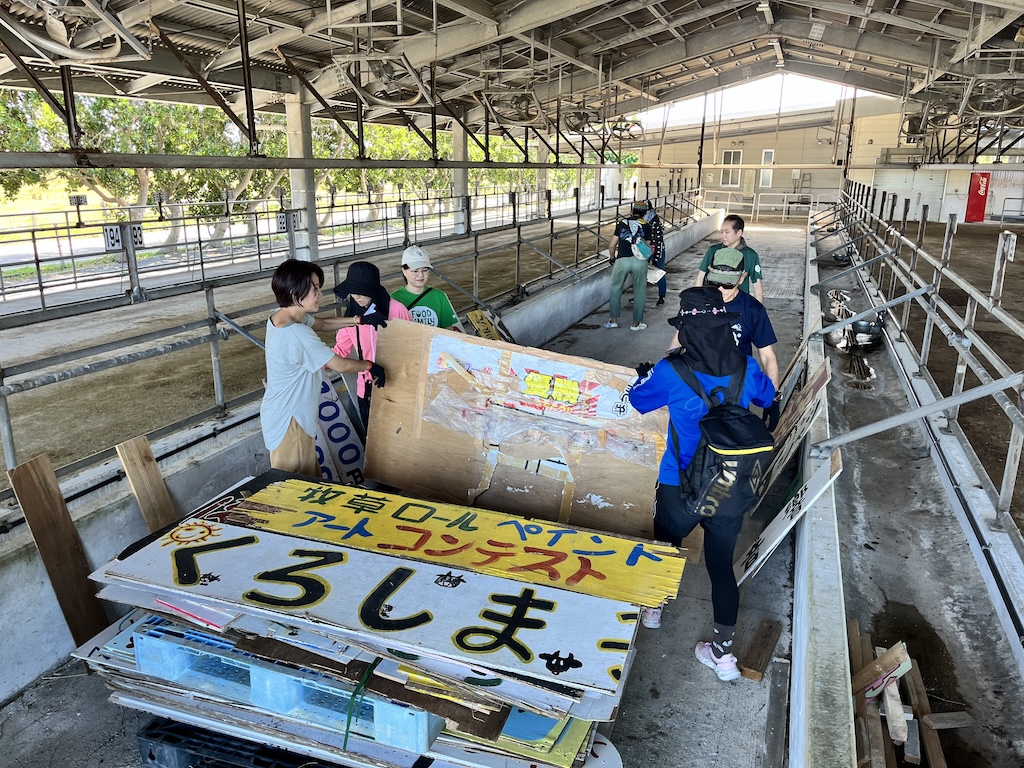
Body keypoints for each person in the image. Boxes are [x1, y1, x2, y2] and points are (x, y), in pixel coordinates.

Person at [628, 286, 776, 681]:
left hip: (678, 483)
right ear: (724, 324)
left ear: (687, 331)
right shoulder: (746, 365)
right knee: (720, 566)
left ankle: (654, 610)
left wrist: (648, 372)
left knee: (665, 547)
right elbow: (767, 397)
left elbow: (638, 402)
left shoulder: (671, 370)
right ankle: (724, 656)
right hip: (729, 485)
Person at [261, 258, 386, 477]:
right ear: (294, 292)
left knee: (308, 480)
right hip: (291, 421)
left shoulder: (282, 317)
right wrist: (370, 365)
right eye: (314, 289)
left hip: (284, 413)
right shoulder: (296, 333)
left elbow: (323, 324)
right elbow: (339, 364)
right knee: (297, 487)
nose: (320, 294)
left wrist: (359, 320)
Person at [675, 247, 779, 388]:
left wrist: (773, 395)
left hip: (735, 389)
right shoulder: (695, 303)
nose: (720, 290)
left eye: (728, 284)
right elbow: (678, 341)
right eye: (714, 283)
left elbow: (767, 356)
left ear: (742, 278)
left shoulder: (753, 310)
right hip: (697, 387)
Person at [333, 261, 411, 428]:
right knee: (372, 439)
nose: (356, 296)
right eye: (353, 291)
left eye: (362, 291)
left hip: (396, 386)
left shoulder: (396, 310)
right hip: (366, 390)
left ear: (373, 289)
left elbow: (411, 347)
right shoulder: (350, 317)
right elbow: (340, 350)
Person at [605, 201, 653, 331]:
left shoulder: (622, 223)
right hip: (639, 261)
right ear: (645, 213)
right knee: (639, 291)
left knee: (615, 289)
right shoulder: (647, 226)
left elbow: (611, 245)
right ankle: (636, 324)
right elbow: (646, 248)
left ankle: (613, 321)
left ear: (633, 210)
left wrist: (612, 257)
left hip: (622, 260)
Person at [694, 214, 764, 302]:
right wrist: (697, 302)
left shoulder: (750, 255)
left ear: (739, 233)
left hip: (738, 305)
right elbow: (701, 276)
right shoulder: (713, 251)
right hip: (713, 302)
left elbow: (757, 285)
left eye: (727, 232)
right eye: (722, 232)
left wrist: (758, 310)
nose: (723, 235)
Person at [392, 245, 462, 331]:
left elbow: (448, 329)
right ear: (404, 271)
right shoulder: (394, 299)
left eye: (425, 270)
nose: (421, 275)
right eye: (415, 271)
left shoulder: (439, 296)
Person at [643, 200, 667, 307]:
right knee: (641, 273)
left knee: (659, 272)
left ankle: (661, 296)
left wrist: (655, 259)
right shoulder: (643, 221)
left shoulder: (655, 222)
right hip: (647, 250)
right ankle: (639, 296)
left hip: (657, 250)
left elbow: (658, 242)